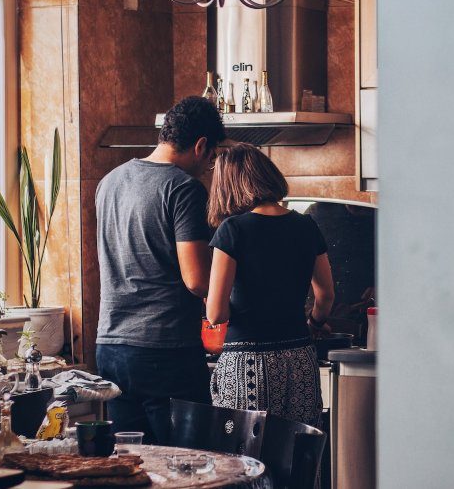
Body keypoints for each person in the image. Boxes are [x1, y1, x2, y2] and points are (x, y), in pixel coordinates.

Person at [95, 96, 224, 444]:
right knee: (190, 467)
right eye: (211, 158)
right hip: (163, 350)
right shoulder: (183, 189)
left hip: (110, 347)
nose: (208, 166)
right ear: (200, 146)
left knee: (135, 465)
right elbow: (197, 281)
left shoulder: (109, 182)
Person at [205, 143, 334, 426]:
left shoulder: (233, 230)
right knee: (298, 454)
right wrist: (313, 323)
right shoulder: (306, 225)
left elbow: (216, 314)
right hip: (300, 358)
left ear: (229, 186)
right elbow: (325, 295)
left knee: (245, 461)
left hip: (247, 363)